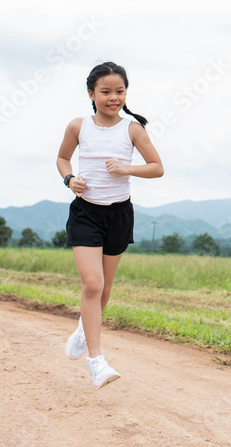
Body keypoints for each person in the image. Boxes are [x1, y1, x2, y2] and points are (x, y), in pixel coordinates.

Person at [56, 61, 163, 389]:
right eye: (106, 92)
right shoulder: (78, 126)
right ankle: (96, 361)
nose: (113, 97)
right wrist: (70, 178)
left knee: (103, 289)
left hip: (118, 215)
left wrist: (125, 169)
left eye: (120, 91)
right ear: (91, 94)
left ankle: (81, 330)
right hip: (86, 214)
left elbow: (157, 167)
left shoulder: (132, 129)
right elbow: (62, 159)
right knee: (92, 284)